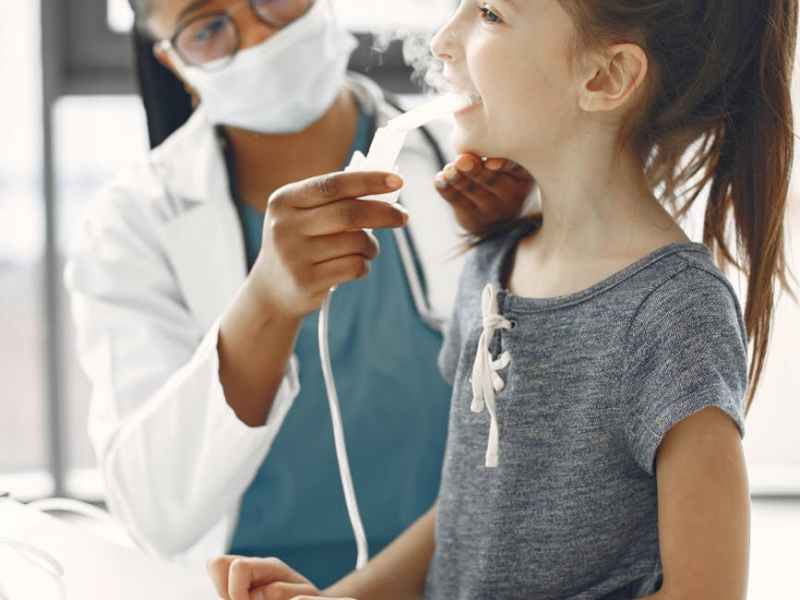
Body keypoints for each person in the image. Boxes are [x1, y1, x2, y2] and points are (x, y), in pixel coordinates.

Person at [207, 0, 799, 598]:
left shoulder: (674, 313)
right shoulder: (493, 266)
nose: (441, 40)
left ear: (606, 77)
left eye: (488, 12)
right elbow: (466, 511)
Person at [64, 0, 534, 587]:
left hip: (457, 574)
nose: (260, 36)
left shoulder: (481, 172)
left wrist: (513, 242)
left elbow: (542, 423)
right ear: (174, 61)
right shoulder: (134, 223)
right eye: (208, 28)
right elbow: (156, 513)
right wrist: (264, 304)